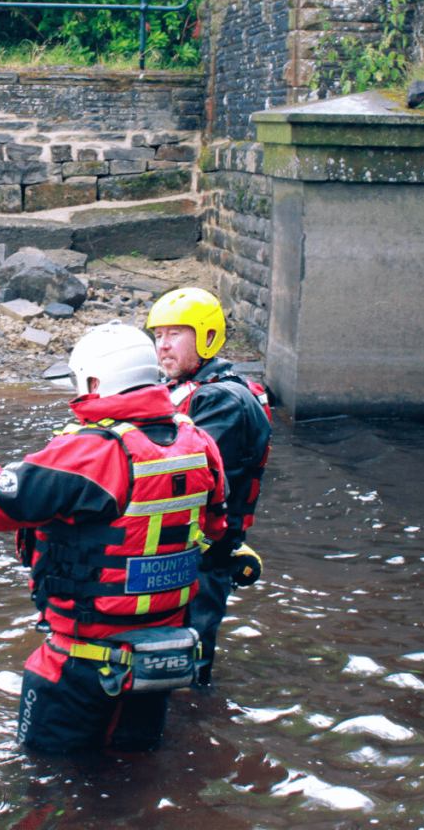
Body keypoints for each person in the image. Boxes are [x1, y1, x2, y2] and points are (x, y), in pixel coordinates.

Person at [0, 321, 227, 753]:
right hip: (162, 656)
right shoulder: (198, 442)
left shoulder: (90, 451)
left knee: (46, 786)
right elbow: (216, 529)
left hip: (83, 657)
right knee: (137, 775)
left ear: (96, 381)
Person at [146, 287, 272, 685]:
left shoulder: (223, 400)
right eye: (158, 335)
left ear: (206, 338)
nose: (162, 346)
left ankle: (195, 725)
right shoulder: (188, 389)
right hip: (183, 553)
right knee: (166, 659)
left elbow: (181, 472)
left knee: (187, 666)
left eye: (174, 335)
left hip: (204, 556)